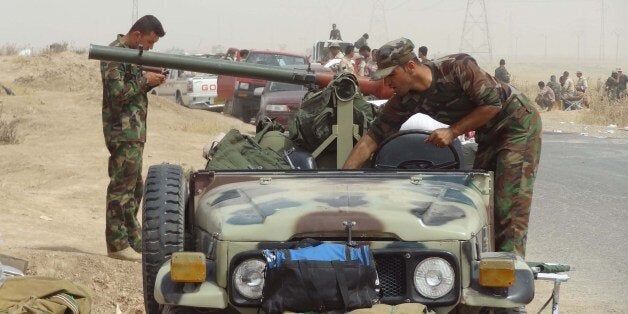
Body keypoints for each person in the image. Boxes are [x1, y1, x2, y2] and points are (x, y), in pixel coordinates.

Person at [343, 38, 542, 257]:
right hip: (488, 134)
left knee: (509, 206)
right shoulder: (404, 99)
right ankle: (486, 263)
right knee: (482, 201)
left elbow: (492, 104)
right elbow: (373, 137)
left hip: (517, 124)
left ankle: (510, 273)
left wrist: (452, 131)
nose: (388, 84)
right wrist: (342, 180)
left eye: (392, 75)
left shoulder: (457, 68)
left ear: (410, 67)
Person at [100, 15, 166, 261]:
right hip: (122, 131)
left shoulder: (130, 54)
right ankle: (116, 245)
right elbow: (117, 93)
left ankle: (132, 237)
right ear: (138, 34)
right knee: (121, 187)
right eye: (149, 42)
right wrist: (144, 80)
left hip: (134, 131)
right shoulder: (115, 54)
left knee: (134, 186)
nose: (149, 48)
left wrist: (150, 81)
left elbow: (132, 88)